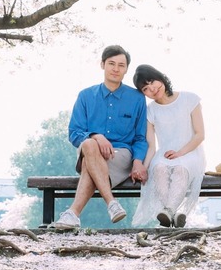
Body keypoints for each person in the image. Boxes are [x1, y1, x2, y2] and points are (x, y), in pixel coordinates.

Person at [51, 45, 148, 228]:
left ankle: (73, 214)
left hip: (120, 155)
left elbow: (140, 137)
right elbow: (74, 132)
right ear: (102, 64)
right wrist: (97, 136)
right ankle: (111, 203)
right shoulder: (86, 96)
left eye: (121, 65)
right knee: (89, 145)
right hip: (90, 150)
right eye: (111, 63)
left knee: (89, 161)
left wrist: (138, 161)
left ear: (126, 69)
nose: (116, 69)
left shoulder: (136, 98)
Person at [131, 64, 206, 228]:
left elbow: (200, 135)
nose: (152, 88)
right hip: (164, 155)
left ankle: (169, 211)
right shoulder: (150, 111)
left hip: (191, 152)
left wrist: (180, 153)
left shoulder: (189, 99)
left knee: (180, 169)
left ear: (161, 77)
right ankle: (172, 213)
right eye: (145, 88)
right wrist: (143, 167)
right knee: (158, 168)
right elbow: (151, 146)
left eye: (152, 81)